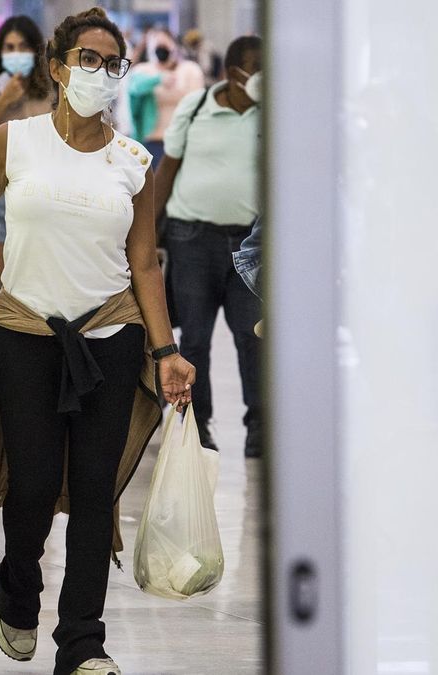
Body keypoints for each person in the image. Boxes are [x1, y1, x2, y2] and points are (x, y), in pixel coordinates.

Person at [0, 8, 196, 675]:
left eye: (114, 63)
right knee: (31, 483)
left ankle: (82, 642)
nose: (101, 73)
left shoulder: (133, 162)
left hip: (110, 337)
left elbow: (143, 262)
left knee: (92, 488)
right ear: (55, 67)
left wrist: (166, 351)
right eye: (88, 58)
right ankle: (18, 593)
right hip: (25, 332)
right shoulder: (14, 141)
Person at [154, 35, 264, 456]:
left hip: (250, 245)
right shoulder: (195, 107)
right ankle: (197, 427)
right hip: (191, 239)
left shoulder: (272, 116)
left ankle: (258, 428)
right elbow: (167, 172)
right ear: (235, 73)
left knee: (251, 337)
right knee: (194, 339)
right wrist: (145, 236)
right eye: (257, 68)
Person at [0, 15, 55, 286]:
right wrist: (3, 101)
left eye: (24, 47)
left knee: (42, 280)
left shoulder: (52, 93)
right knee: (2, 283)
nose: (17, 54)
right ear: (0, 53)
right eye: (10, 47)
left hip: (45, 194)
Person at [126, 28, 204, 167]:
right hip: (151, 141)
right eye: (156, 46)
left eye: (164, 45)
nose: (161, 50)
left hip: (183, 142)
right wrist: (158, 79)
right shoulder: (143, 70)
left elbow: (197, 101)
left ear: (174, 46)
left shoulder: (189, 69)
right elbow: (135, 87)